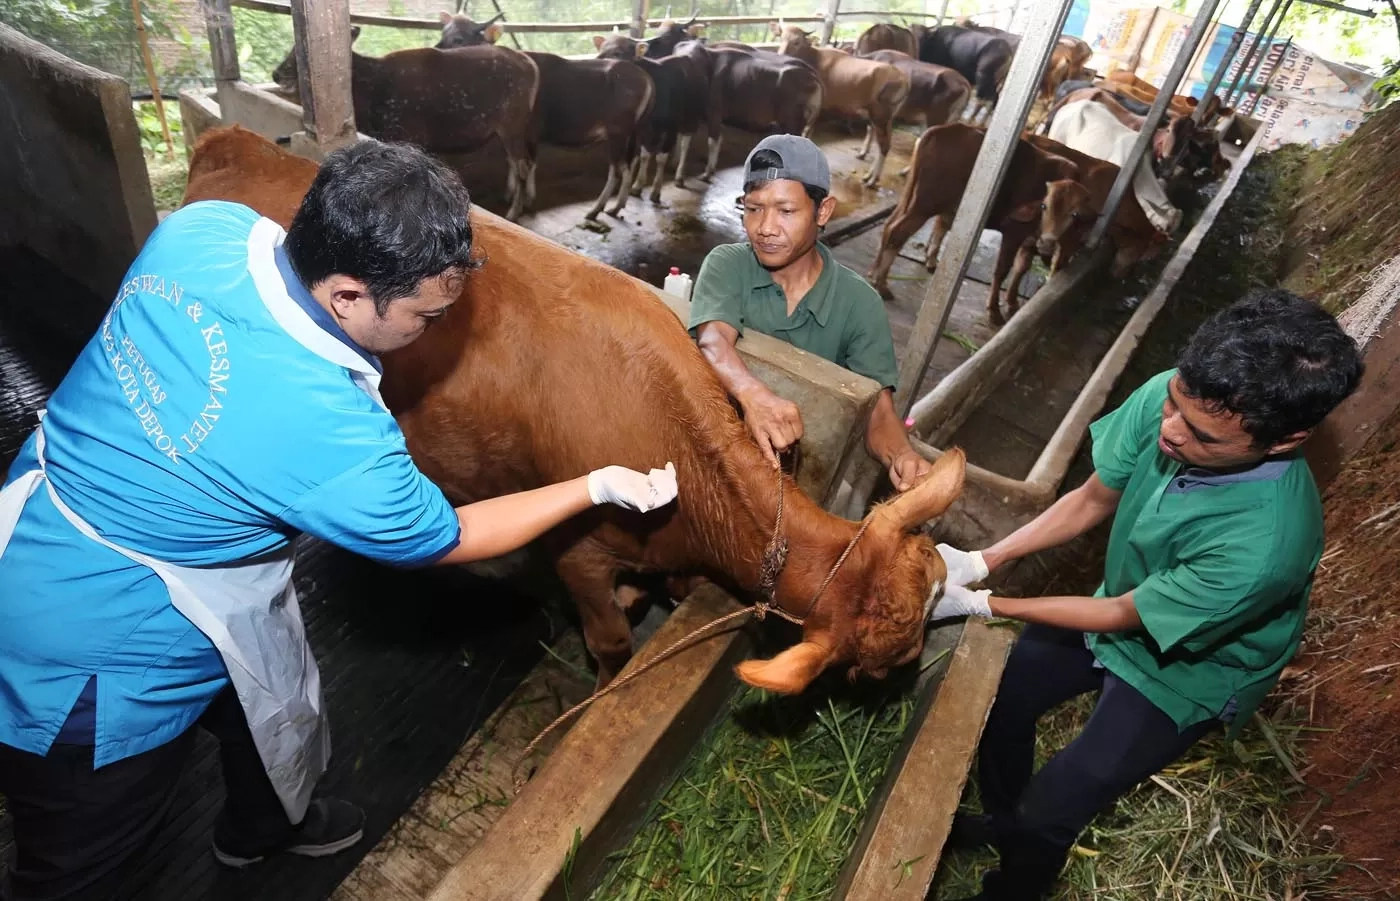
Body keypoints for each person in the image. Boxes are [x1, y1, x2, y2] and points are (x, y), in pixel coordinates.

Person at [0, 139, 678, 901]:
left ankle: (264, 826)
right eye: (427, 314)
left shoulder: (205, 230)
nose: (433, 329)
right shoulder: (338, 436)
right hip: (102, 655)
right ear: (349, 295)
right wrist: (593, 483)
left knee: (257, 709)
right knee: (76, 863)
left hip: (40, 514)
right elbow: (455, 535)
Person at [927, 290, 1364, 900]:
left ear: (1287, 438)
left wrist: (983, 603)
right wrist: (983, 560)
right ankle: (1003, 819)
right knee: (1007, 692)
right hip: (1122, 594)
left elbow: (1120, 616)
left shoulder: (1266, 545)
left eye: (1203, 437)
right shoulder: (1183, 399)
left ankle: (1013, 887)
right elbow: (1090, 499)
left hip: (1190, 668)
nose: (1169, 432)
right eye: (1174, 406)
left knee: (1058, 800)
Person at [688, 134, 932, 491]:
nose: (765, 228)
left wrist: (902, 456)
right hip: (716, 448)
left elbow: (877, 411)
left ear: (824, 211)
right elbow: (713, 340)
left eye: (786, 211)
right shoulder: (728, 265)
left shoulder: (860, 304)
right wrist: (754, 396)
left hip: (803, 474)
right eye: (753, 208)